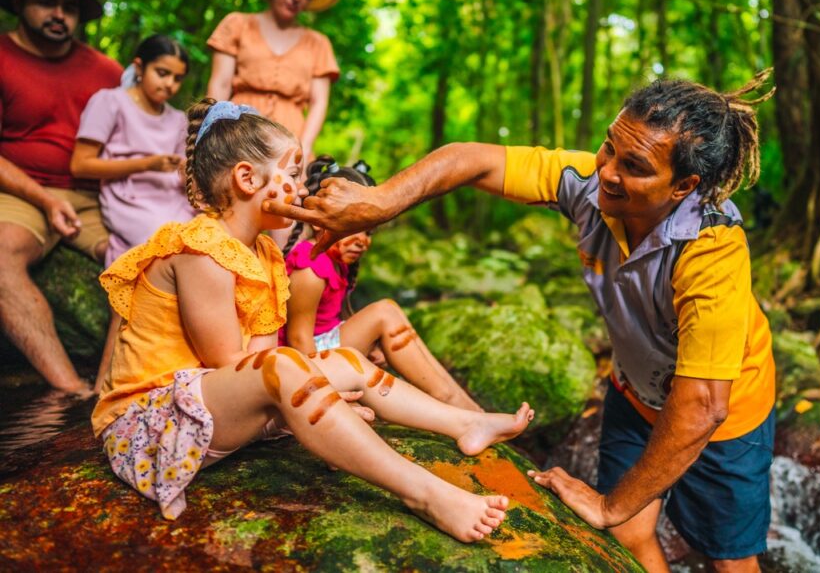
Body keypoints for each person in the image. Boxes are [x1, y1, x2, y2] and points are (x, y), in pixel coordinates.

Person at [267, 73, 778, 572]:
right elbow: (472, 159)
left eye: (634, 167)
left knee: (729, 557)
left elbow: (703, 404)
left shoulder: (711, 248)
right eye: (608, 148)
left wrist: (607, 505)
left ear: (684, 185)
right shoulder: (586, 182)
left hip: (725, 419)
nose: (607, 173)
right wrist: (381, 202)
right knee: (627, 535)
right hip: (635, 394)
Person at [91, 99, 533, 542]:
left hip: (210, 405)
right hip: (151, 424)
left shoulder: (264, 254)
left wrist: (317, 395)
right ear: (247, 179)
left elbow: (261, 363)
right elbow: (234, 365)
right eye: (294, 173)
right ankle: (424, 494)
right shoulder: (200, 251)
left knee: (347, 361)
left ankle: (463, 423)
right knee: (291, 368)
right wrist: (320, 405)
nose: (304, 187)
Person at [0, 0, 122, 394]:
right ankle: (71, 389)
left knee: (152, 256)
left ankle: (114, 386)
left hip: (97, 195)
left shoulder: (107, 72)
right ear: (18, 1)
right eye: (46, 2)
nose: (59, 15)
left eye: (68, 7)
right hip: (22, 190)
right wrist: (46, 201)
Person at [281, 157, 482, 412]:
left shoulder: (334, 263)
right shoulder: (310, 266)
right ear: (316, 219)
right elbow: (298, 340)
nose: (363, 239)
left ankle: (455, 396)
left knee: (391, 313)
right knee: (385, 312)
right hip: (304, 367)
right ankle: (450, 401)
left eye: (369, 231)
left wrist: (371, 344)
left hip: (324, 353)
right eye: (354, 226)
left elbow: (333, 319)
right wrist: (327, 395)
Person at [70, 34, 197, 390]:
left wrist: (186, 170)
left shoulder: (175, 120)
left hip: (171, 197)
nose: (169, 84)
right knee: (162, 245)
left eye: (176, 78)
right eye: (162, 73)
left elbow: (178, 174)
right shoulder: (109, 102)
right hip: (129, 197)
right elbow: (81, 164)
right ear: (139, 67)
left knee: (204, 239)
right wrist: (149, 163)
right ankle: (112, 383)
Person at [206, 0, 340, 160]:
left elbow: (319, 102)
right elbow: (219, 84)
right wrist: (209, 135)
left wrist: (303, 149)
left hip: (291, 139)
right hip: (238, 130)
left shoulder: (318, 43)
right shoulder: (237, 24)